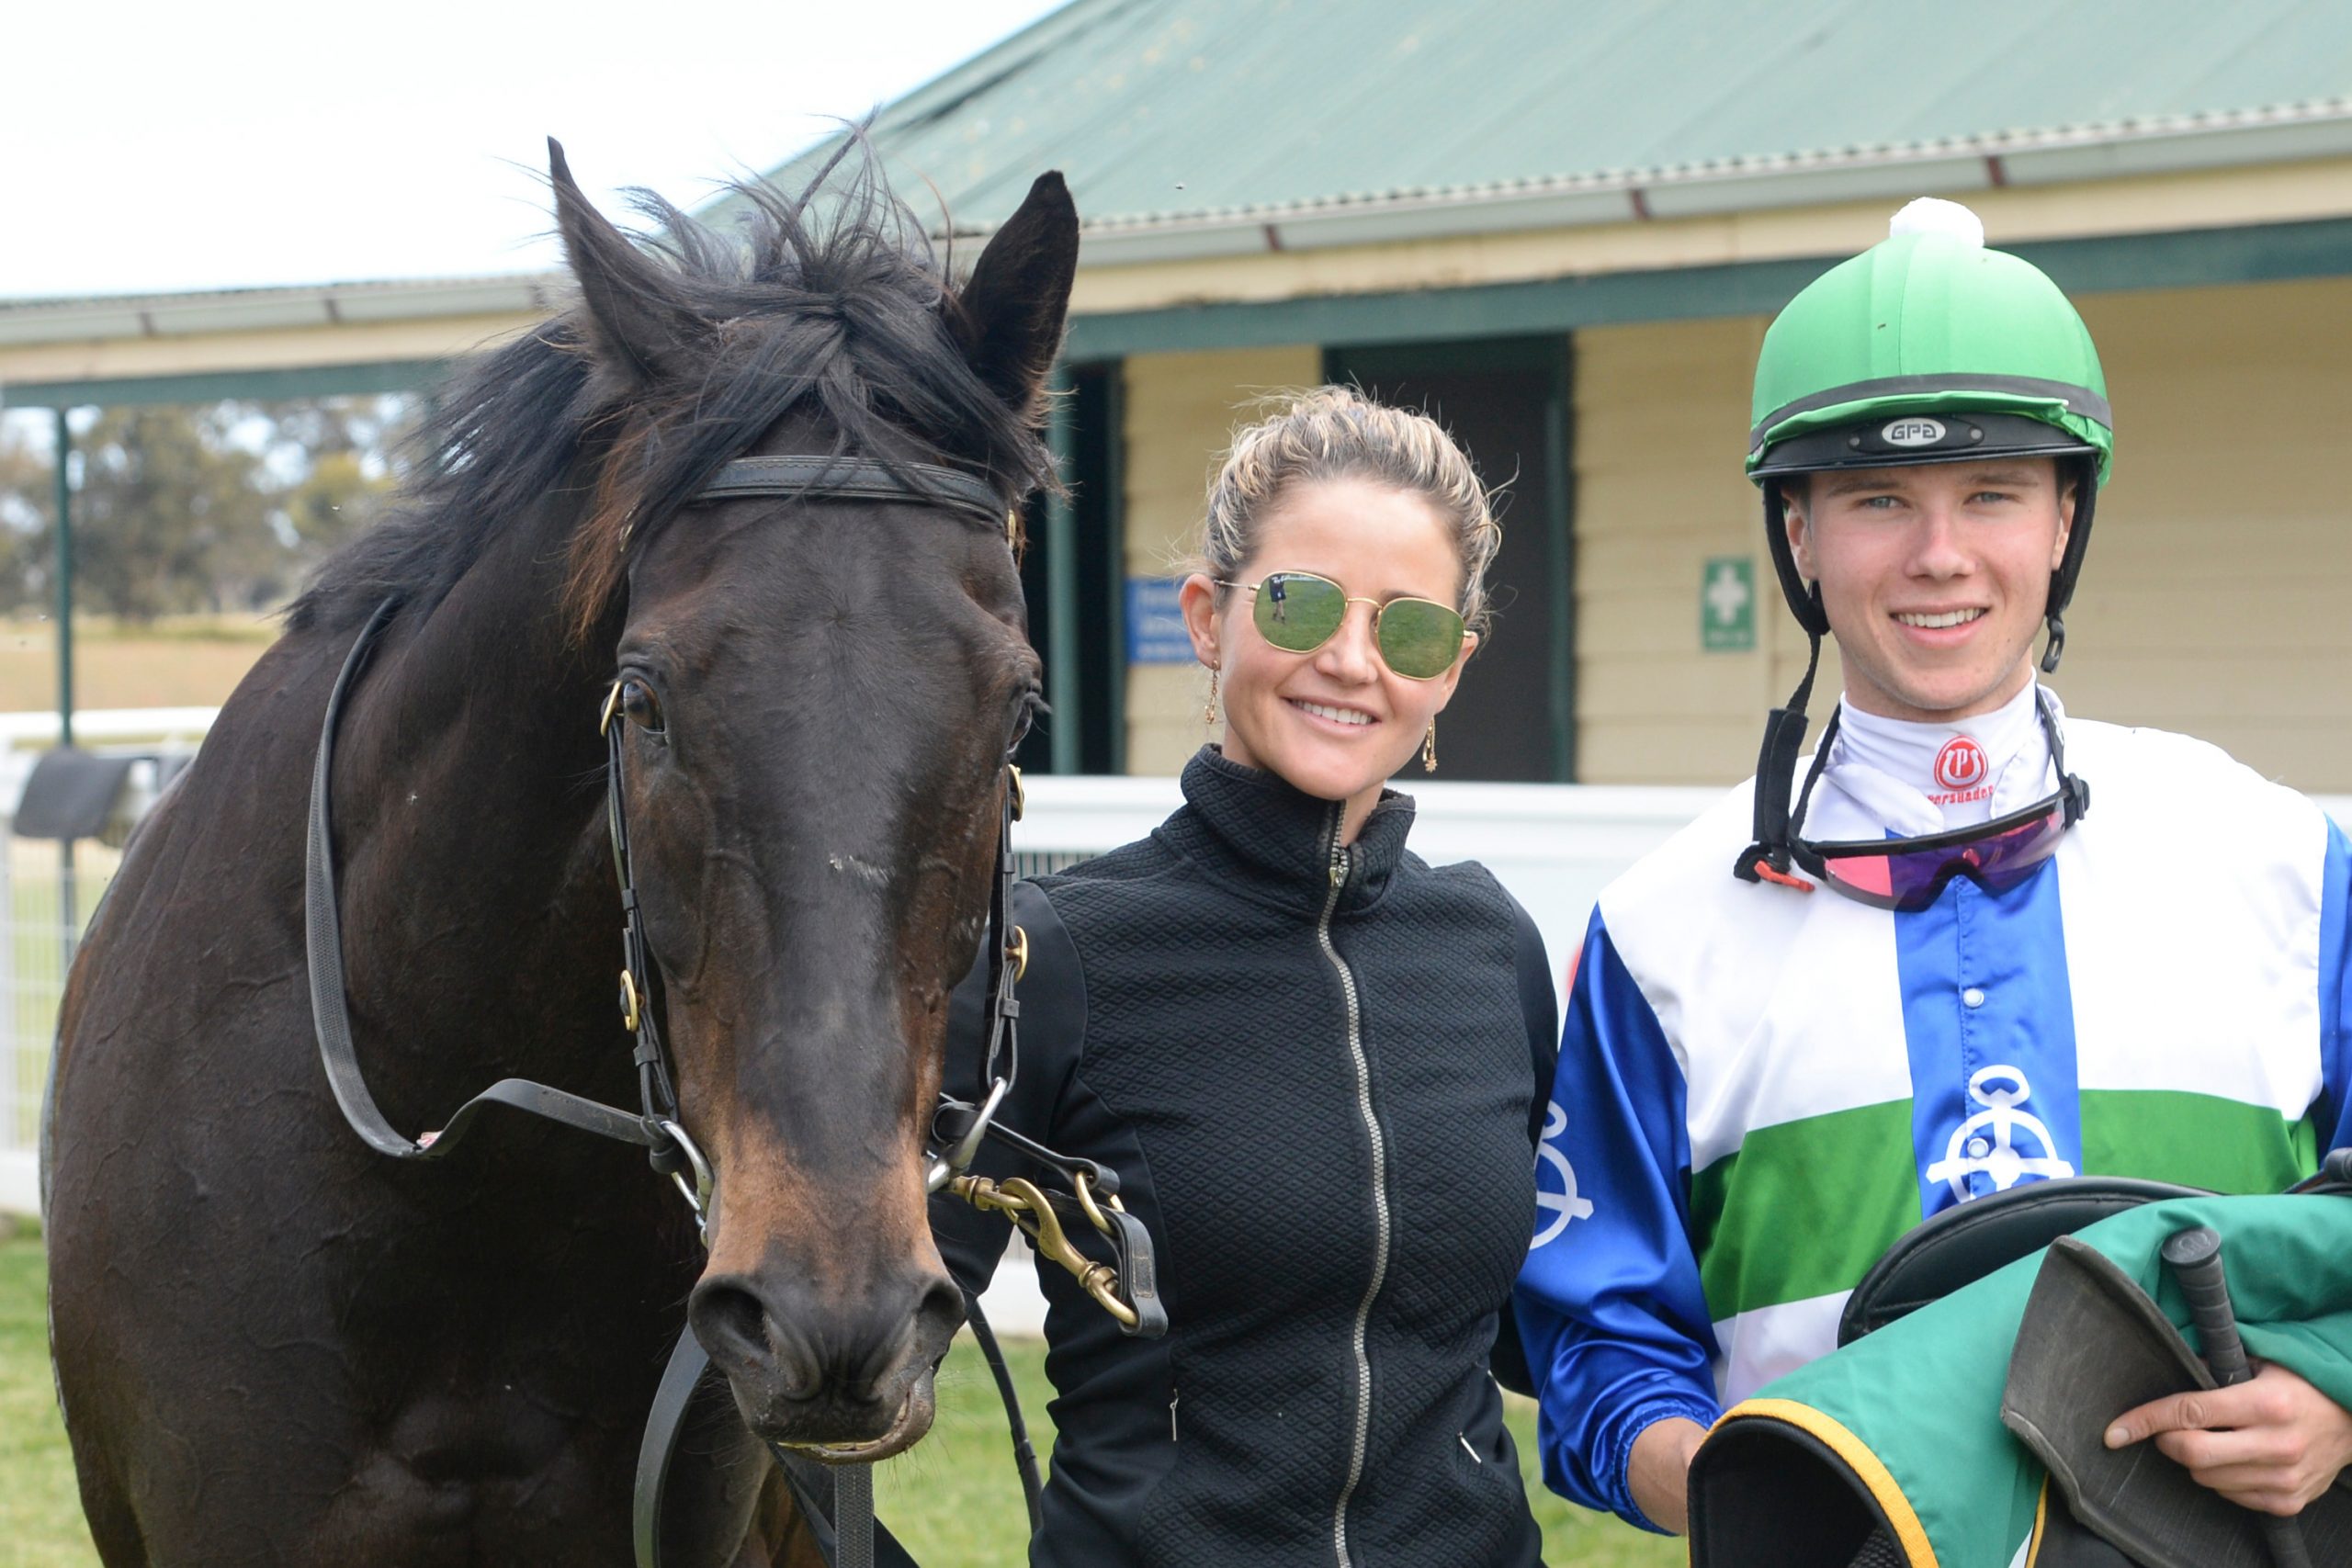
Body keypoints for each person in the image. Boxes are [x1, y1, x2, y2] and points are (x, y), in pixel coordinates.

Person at [1514, 198, 2352, 1537]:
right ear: (1797, 534)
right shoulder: (1659, 928)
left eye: (1994, 493)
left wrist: (2339, 1392)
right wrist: (1763, 1494)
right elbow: (1597, 1349)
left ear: (2068, 517)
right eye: (1878, 499)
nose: (1939, 554)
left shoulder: (2283, 861)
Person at [931, 386, 1558, 1567]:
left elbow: (1549, 1323)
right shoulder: (1048, 956)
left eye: (1408, 628)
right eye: (1300, 602)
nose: (1350, 660)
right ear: (1207, 619)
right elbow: (850, 1356)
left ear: (1453, 672)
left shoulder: (1491, 950)